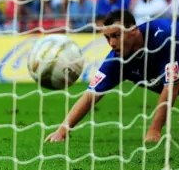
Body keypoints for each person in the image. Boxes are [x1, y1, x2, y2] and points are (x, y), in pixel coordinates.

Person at [44, 10, 179, 144]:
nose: (112, 43)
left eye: (116, 35)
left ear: (133, 30)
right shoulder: (116, 59)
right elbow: (90, 95)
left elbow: (171, 87)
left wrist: (154, 130)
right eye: (107, 38)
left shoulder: (165, 37)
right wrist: (61, 131)